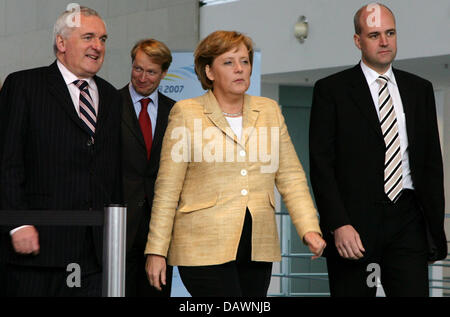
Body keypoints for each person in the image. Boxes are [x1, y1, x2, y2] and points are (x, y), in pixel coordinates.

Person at [144, 30, 326, 297]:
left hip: (257, 245)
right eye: (228, 62)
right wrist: (156, 250)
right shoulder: (186, 113)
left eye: (244, 61)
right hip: (201, 246)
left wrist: (309, 228)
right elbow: (167, 189)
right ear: (209, 72)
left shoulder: (269, 111)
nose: (240, 69)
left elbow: (291, 177)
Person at [309, 3, 447, 297]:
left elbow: (431, 165)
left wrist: (435, 230)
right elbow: (322, 165)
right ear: (358, 41)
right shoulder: (331, 90)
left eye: (390, 33)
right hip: (354, 224)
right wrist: (338, 224)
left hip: (408, 218)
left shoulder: (419, 89)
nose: (384, 42)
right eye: (374, 35)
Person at [0, 6, 122, 296]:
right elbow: (6, 162)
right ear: (62, 43)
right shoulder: (24, 86)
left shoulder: (110, 96)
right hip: (35, 252)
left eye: (103, 39)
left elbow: (112, 171)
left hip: (93, 254)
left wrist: (115, 240)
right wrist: (17, 224)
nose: (98, 46)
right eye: (89, 37)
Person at [121, 39, 175, 297]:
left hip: (160, 228)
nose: (142, 78)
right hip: (118, 223)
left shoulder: (175, 112)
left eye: (151, 72)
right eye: (137, 69)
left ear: (164, 73)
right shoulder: (109, 104)